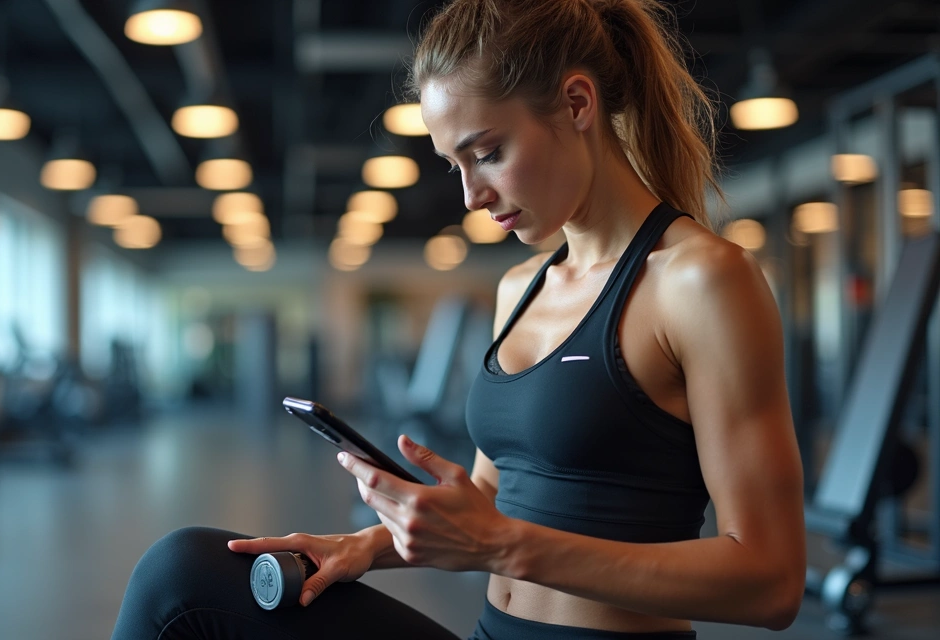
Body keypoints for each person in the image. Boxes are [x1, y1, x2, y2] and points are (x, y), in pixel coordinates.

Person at [110, 0, 806, 637]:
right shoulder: (518, 289)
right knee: (183, 575)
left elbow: (772, 584)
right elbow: (487, 501)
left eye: (488, 153)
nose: (473, 195)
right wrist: (362, 548)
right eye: (456, 165)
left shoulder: (702, 280)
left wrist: (502, 545)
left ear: (576, 102)